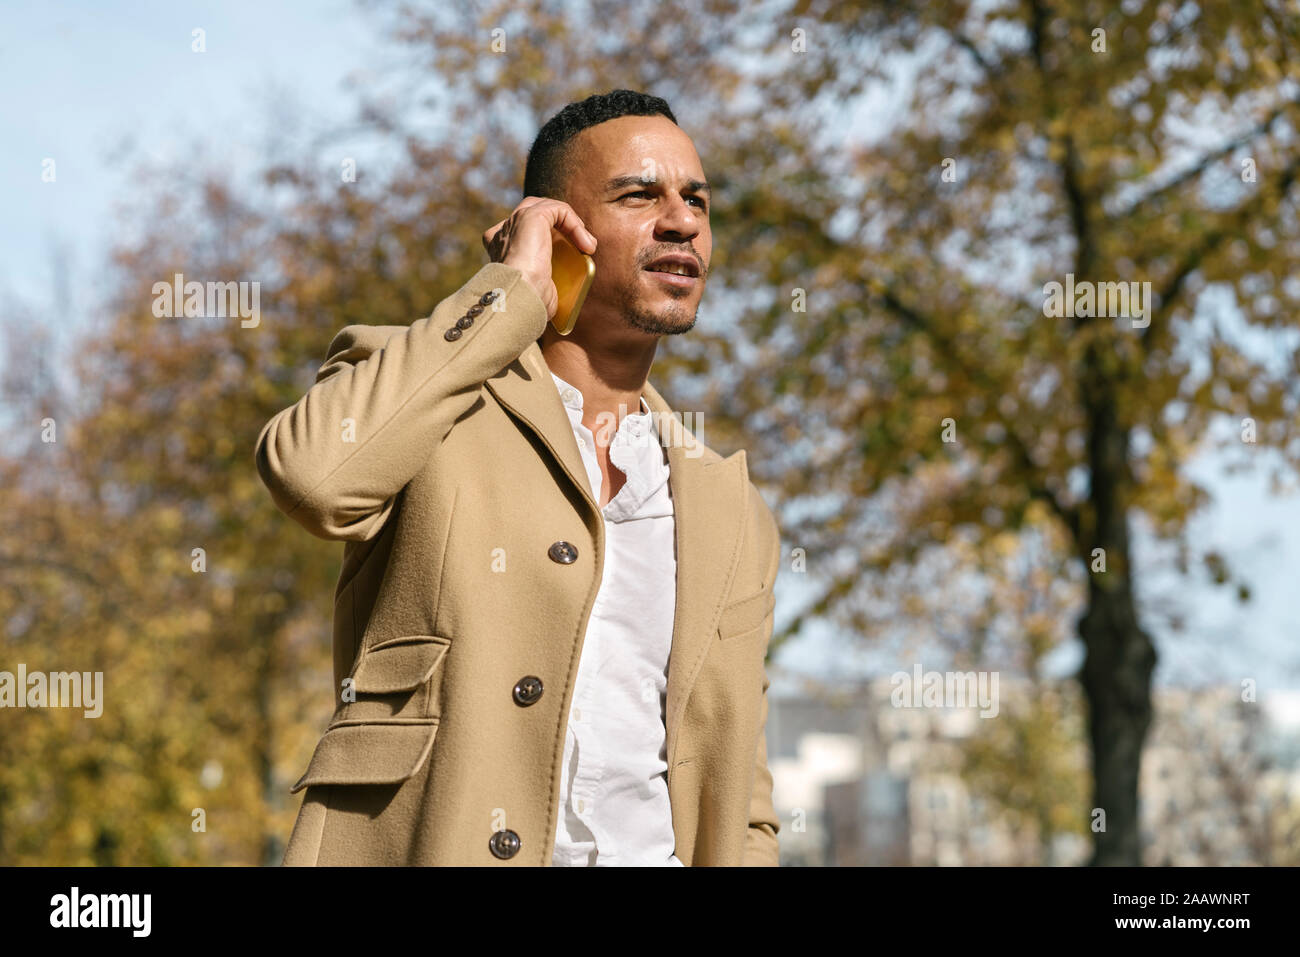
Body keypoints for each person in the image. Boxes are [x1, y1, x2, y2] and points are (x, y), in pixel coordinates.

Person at [256, 89, 781, 866]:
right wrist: (506, 293)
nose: (682, 219)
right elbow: (311, 476)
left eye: (695, 197)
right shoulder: (432, 401)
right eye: (639, 194)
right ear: (557, 226)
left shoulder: (731, 510)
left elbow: (744, 806)